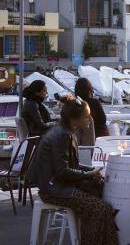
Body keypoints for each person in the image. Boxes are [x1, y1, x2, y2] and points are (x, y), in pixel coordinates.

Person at [27, 96, 118, 245]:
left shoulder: (66, 131)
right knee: (98, 208)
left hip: (55, 184)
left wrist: (91, 170)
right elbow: (62, 172)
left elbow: (71, 165)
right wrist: (89, 174)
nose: (90, 119)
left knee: (103, 204)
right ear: (74, 120)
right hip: (52, 189)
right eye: (86, 116)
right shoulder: (62, 135)